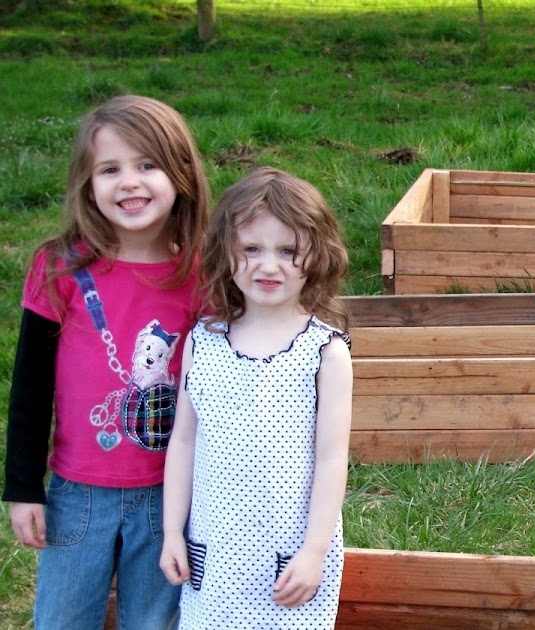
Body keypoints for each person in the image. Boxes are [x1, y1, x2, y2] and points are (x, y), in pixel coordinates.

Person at [4, 94, 210, 628]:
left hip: (171, 495)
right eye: (110, 169)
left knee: (153, 621)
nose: (130, 182)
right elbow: (29, 386)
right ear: (87, 184)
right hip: (78, 494)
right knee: (62, 618)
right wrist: (23, 487)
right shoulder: (60, 267)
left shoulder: (203, 274)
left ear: (182, 174)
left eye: (148, 165)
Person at [159, 167, 353, 628]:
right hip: (214, 552)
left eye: (287, 251)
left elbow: (331, 459)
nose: (269, 265)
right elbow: (183, 442)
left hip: (289, 561)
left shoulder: (324, 351)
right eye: (252, 249)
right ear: (226, 254)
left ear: (317, 255)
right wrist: (172, 533)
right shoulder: (201, 341)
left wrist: (313, 551)